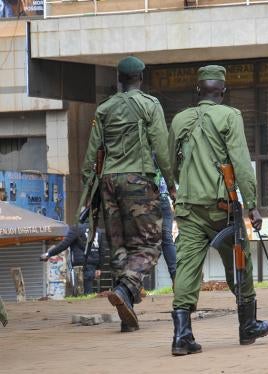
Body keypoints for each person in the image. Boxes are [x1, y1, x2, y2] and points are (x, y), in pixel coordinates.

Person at [168, 65, 268, 356]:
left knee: (187, 265)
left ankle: (181, 336)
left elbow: (171, 164)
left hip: (188, 206)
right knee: (240, 260)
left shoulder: (179, 119)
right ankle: (247, 325)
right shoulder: (229, 116)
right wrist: (252, 205)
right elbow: (240, 163)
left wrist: (186, 187)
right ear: (223, 93)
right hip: (221, 207)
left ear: (197, 90)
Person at [81, 56, 176, 333]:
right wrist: (170, 183)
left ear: (119, 80)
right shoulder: (150, 105)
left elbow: (91, 156)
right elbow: (161, 146)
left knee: (119, 245)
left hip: (108, 182)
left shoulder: (105, 108)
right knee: (149, 243)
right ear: (141, 79)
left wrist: (89, 192)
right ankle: (124, 290)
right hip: (138, 179)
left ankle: (128, 313)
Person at [40, 223, 104, 295]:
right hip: (92, 266)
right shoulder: (98, 230)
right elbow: (102, 251)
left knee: (81, 294)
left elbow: (64, 245)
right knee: (88, 292)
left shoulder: (76, 228)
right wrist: (99, 268)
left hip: (80, 267)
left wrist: (49, 254)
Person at [155, 169, 176, 282]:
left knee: (141, 240)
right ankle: (177, 278)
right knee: (167, 239)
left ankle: (134, 283)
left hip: (149, 199)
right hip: (163, 199)